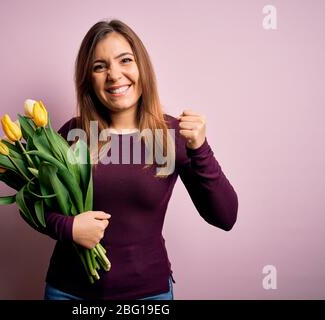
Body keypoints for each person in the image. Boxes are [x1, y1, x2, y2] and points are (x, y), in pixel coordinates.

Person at [41, 19, 238, 300]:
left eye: (125, 60)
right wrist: (69, 228)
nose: (114, 75)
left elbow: (225, 216)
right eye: (100, 66)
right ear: (89, 79)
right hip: (70, 293)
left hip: (147, 294)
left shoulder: (171, 135)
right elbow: (38, 208)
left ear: (141, 67)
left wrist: (201, 148)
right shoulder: (73, 135)